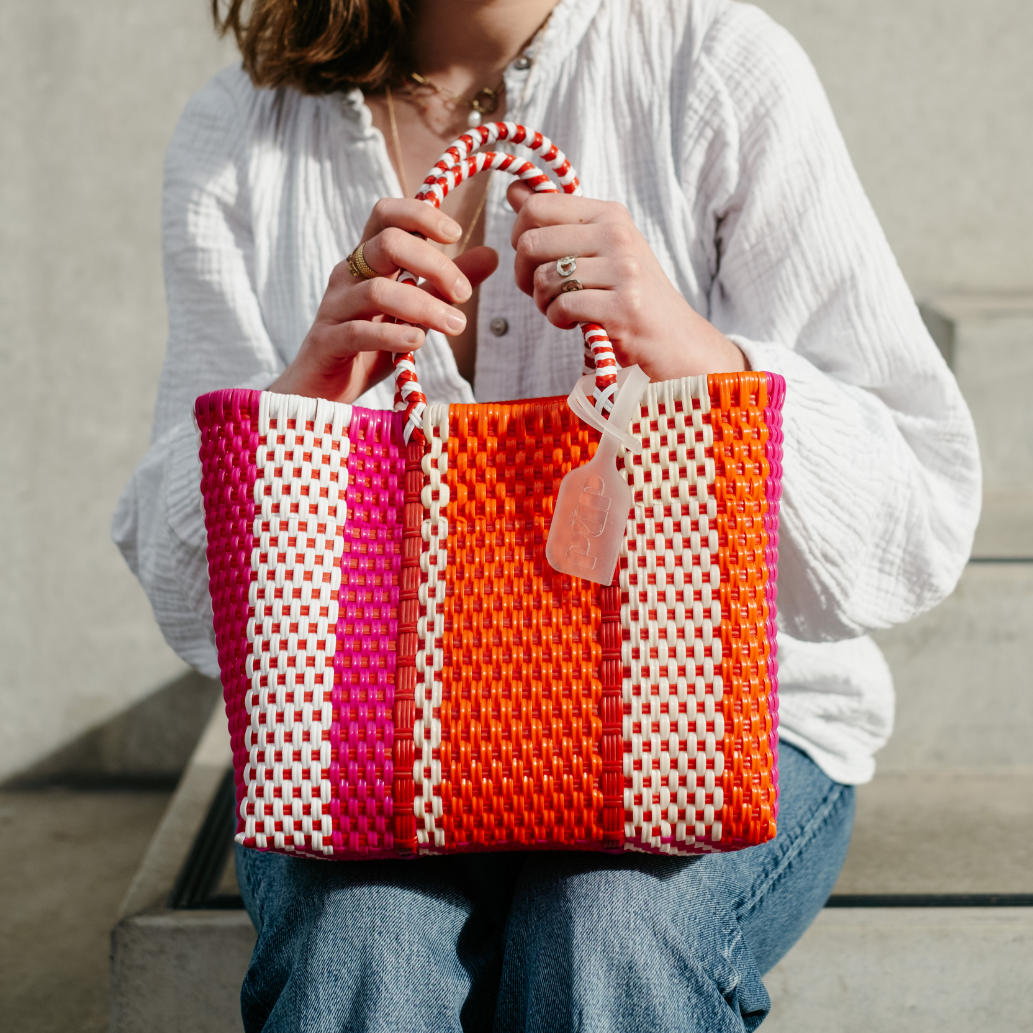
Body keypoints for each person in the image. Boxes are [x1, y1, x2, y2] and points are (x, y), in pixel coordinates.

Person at [112, 0, 981, 1029]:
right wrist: (307, 396)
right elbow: (190, 602)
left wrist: (694, 351)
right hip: (365, 734)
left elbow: (918, 510)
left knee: (610, 926)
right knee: (365, 947)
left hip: (702, 724)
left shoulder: (716, 67)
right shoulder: (241, 133)